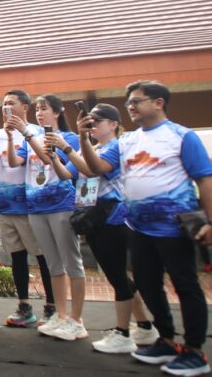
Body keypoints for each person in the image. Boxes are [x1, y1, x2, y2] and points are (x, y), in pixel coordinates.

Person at [81, 80, 212, 375]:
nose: (131, 107)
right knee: (147, 284)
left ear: (159, 103)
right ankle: (166, 340)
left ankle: (195, 351)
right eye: (128, 103)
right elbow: (96, 168)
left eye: (137, 101)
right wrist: (83, 138)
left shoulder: (181, 136)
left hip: (174, 228)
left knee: (185, 286)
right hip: (138, 228)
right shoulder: (127, 142)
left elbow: (205, 180)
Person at [58, 103, 158, 354]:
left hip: (112, 218)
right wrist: (50, 155)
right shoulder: (92, 148)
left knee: (117, 276)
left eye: (97, 121)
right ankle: (144, 326)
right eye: (89, 122)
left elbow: (91, 168)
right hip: (93, 218)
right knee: (117, 276)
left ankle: (123, 334)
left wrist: (71, 146)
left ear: (114, 124)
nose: (91, 126)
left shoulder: (116, 147)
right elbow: (65, 173)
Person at [0, 89, 55, 328]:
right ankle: (24, 307)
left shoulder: (37, 132)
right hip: (6, 207)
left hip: (31, 206)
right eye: (3, 103)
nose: (5, 107)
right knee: (17, 257)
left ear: (25, 107)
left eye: (11, 103)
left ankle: (52, 306)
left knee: (42, 257)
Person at [20, 94, 86, 341]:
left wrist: (28, 135)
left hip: (61, 205)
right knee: (53, 264)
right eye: (37, 109)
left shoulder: (69, 139)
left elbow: (55, 165)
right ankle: (60, 314)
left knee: (72, 262)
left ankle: (76, 320)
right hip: (36, 206)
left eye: (44, 108)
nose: (39, 113)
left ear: (57, 112)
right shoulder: (31, 139)